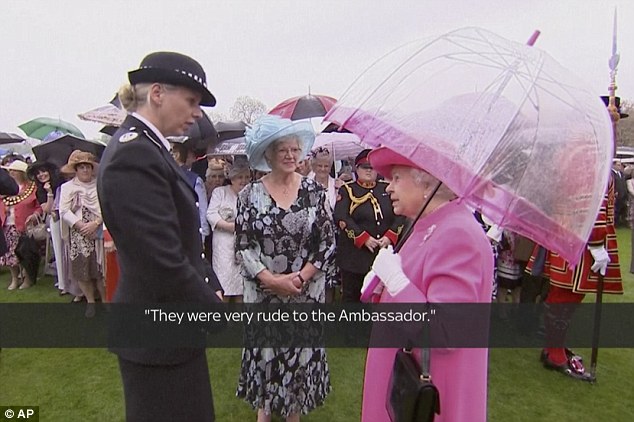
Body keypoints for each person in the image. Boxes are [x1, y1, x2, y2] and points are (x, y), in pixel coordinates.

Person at [97, 51, 223, 422]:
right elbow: (159, 257)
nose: (198, 112)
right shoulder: (134, 154)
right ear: (157, 93)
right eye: (191, 100)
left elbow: (180, 238)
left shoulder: (149, 148)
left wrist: (207, 281)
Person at [361, 146, 493, 422]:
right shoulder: (427, 225)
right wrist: (381, 285)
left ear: (427, 180)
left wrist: (395, 282)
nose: (388, 188)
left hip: (429, 396)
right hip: (402, 385)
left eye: (396, 177)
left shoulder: (458, 234)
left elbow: (444, 333)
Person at [235, 115, 334, 421]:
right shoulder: (248, 195)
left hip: (304, 293)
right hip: (264, 294)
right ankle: (264, 410)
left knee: (298, 355)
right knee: (267, 354)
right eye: (283, 150)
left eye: (295, 149)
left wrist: (301, 277)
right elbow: (242, 246)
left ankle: (293, 413)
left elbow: (327, 243)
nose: (291, 156)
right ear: (267, 154)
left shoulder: (314, 192)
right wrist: (270, 279)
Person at [528, 176, 622, 381]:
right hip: (578, 238)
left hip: (570, 235)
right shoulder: (590, 161)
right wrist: (597, 244)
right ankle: (554, 353)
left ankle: (554, 347)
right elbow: (590, 205)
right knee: (564, 298)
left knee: (565, 298)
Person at [333, 149, 405, 303]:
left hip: (383, 254)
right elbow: (341, 217)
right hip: (355, 257)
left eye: (372, 167)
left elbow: (401, 215)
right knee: (352, 301)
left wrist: (390, 236)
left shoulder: (386, 188)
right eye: (364, 167)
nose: (369, 171)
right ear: (356, 169)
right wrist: (363, 238)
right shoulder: (348, 190)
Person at [58, 151, 104, 317]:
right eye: (81, 167)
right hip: (79, 233)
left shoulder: (101, 184)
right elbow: (63, 210)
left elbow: (107, 207)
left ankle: (106, 301)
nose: (85, 170)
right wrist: (80, 225)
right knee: (82, 269)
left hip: (99, 230)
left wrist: (95, 223)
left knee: (101, 269)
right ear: (76, 170)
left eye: (88, 167)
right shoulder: (67, 187)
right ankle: (90, 301)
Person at [206, 157, 251, 302]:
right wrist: (231, 227)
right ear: (232, 178)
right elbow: (211, 214)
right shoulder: (220, 192)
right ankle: (222, 321)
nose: (243, 181)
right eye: (240, 177)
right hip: (223, 246)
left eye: (246, 177)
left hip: (244, 246)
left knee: (241, 288)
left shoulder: (251, 194)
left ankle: (239, 323)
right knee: (223, 285)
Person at [0, 160, 42, 290]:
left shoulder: (32, 188)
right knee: (9, 256)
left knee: (25, 253)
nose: (11, 173)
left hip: (24, 226)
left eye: (14, 171)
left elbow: (39, 206)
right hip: (7, 224)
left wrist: (35, 215)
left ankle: (27, 278)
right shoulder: (4, 188)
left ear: (21, 173)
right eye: (9, 171)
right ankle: (14, 278)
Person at [27, 161, 65, 291]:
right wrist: (49, 192)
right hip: (54, 220)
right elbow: (48, 209)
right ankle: (62, 282)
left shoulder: (62, 184)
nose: (41, 175)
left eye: (43, 171)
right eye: (38, 173)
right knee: (58, 250)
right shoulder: (40, 191)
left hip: (68, 218)